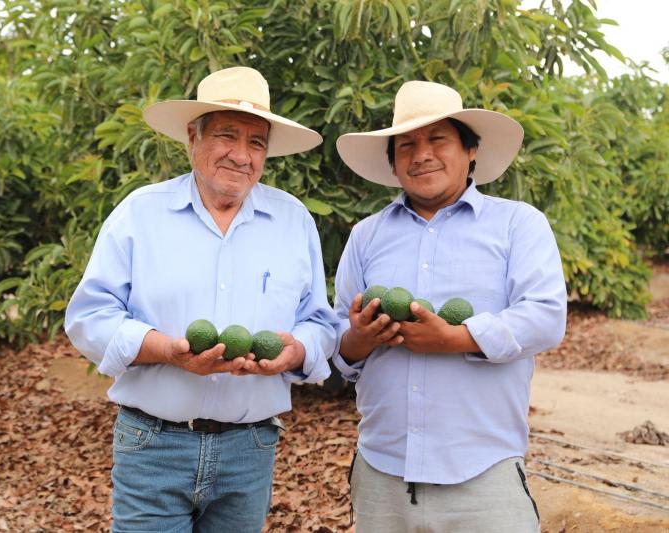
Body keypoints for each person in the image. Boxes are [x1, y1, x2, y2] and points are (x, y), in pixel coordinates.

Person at [64, 66, 337, 533]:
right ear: (193, 137)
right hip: (154, 443)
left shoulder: (293, 221)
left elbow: (320, 323)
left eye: (256, 143)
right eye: (227, 136)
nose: (241, 155)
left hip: (250, 450)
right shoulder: (140, 214)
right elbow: (90, 317)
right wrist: (165, 350)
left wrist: (295, 350)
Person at [332, 80, 567, 532]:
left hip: (485, 475)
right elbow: (338, 345)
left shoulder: (517, 225)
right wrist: (358, 340)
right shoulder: (367, 236)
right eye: (406, 145)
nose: (421, 154)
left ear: (470, 149)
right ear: (394, 162)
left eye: (437, 139)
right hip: (383, 472)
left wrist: (455, 339)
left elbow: (545, 316)